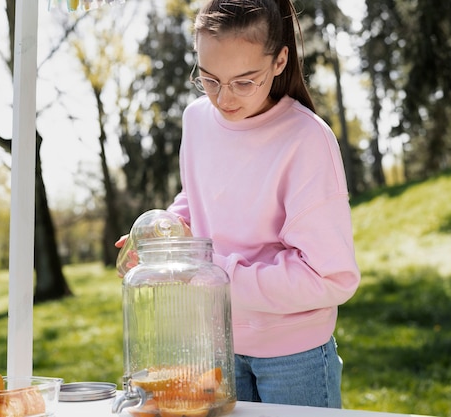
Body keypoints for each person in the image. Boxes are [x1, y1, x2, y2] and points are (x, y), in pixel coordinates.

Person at [117, 0, 360, 409]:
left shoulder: (306, 140)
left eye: (245, 82)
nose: (223, 98)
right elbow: (197, 197)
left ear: (280, 60)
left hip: (293, 356)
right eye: (209, 79)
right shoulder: (196, 121)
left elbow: (332, 277)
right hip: (215, 344)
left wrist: (214, 274)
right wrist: (169, 233)